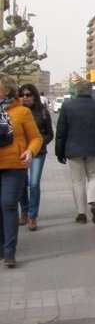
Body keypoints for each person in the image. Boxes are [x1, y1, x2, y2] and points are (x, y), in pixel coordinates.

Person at [55, 80, 95, 225]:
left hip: (73, 149)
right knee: (94, 177)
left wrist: (59, 152)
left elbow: (61, 132)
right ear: (91, 90)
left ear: (77, 90)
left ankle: (81, 214)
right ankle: (94, 203)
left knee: (78, 181)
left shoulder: (67, 106)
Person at [0, 74, 43, 268]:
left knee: (8, 204)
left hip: (14, 165)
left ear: (7, 89)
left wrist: (30, 151)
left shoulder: (22, 112)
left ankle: (10, 251)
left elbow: (36, 138)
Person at [18, 83, 54, 231]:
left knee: (33, 184)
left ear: (34, 95)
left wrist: (38, 145)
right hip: (20, 154)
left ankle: (32, 216)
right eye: (22, 95)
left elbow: (49, 134)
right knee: (21, 184)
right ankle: (24, 212)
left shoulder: (43, 112)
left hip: (38, 153)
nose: (25, 98)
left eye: (28, 95)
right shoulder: (17, 111)